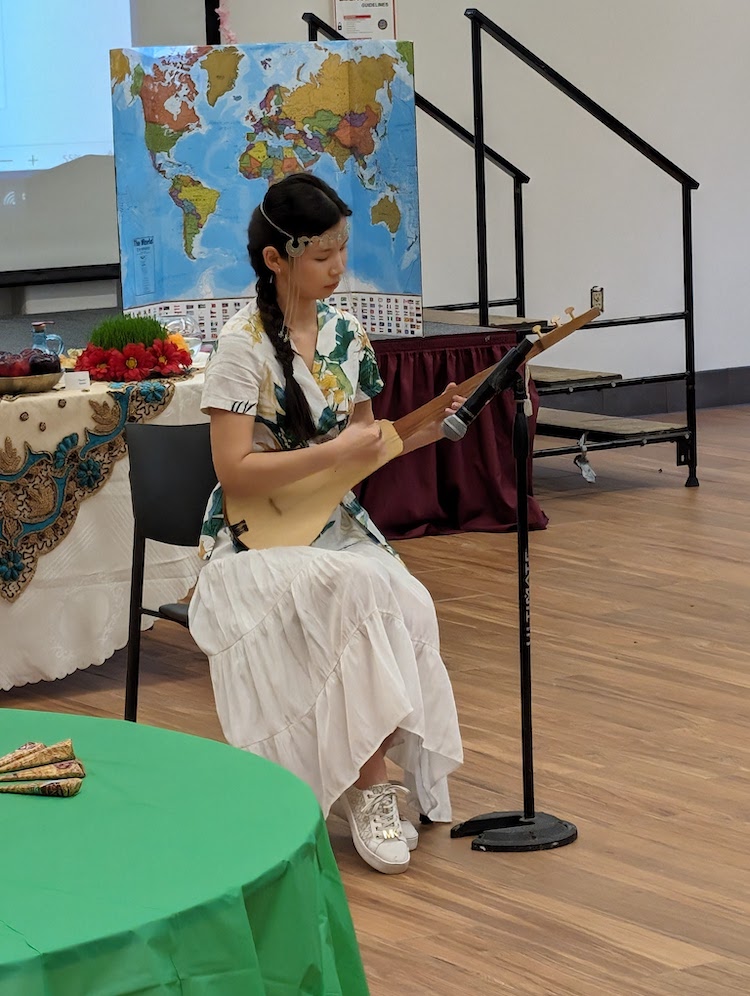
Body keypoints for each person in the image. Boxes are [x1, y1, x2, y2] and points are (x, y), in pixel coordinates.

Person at [188, 172, 464, 875]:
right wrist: (335, 449)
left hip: (331, 522)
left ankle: (362, 770)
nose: (338, 268)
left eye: (344, 250)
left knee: (410, 597)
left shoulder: (348, 334)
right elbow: (234, 471)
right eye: (323, 256)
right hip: (251, 542)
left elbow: (360, 457)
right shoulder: (239, 346)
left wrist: (431, 429)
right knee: (360, 591)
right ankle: (369, 787)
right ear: (276, 259)